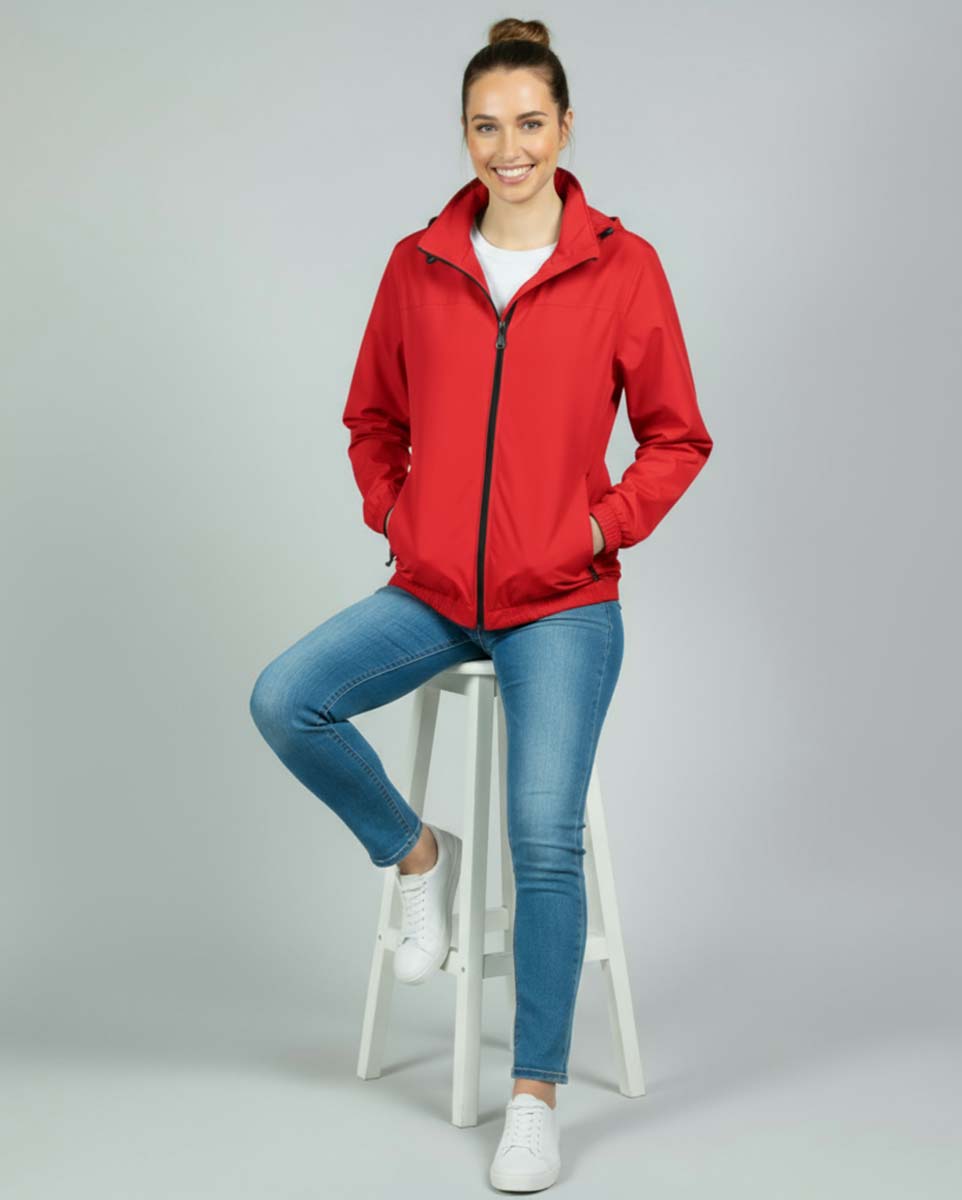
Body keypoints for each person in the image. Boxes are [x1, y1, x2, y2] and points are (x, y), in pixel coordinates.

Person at [250, 15, 713, 1192]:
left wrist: (596, 529)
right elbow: (371, 418)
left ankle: (534, 1098)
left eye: (530, 123)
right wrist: (400, 518)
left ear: (565, 126)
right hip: (436, 591)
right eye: (486, 126)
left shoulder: (622, 265)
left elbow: (675, 436)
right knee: (286, 698)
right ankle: (417, 856)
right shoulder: (419, 264)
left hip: (561, 602)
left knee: (543, 838)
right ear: (463, 134)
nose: (510, 148)